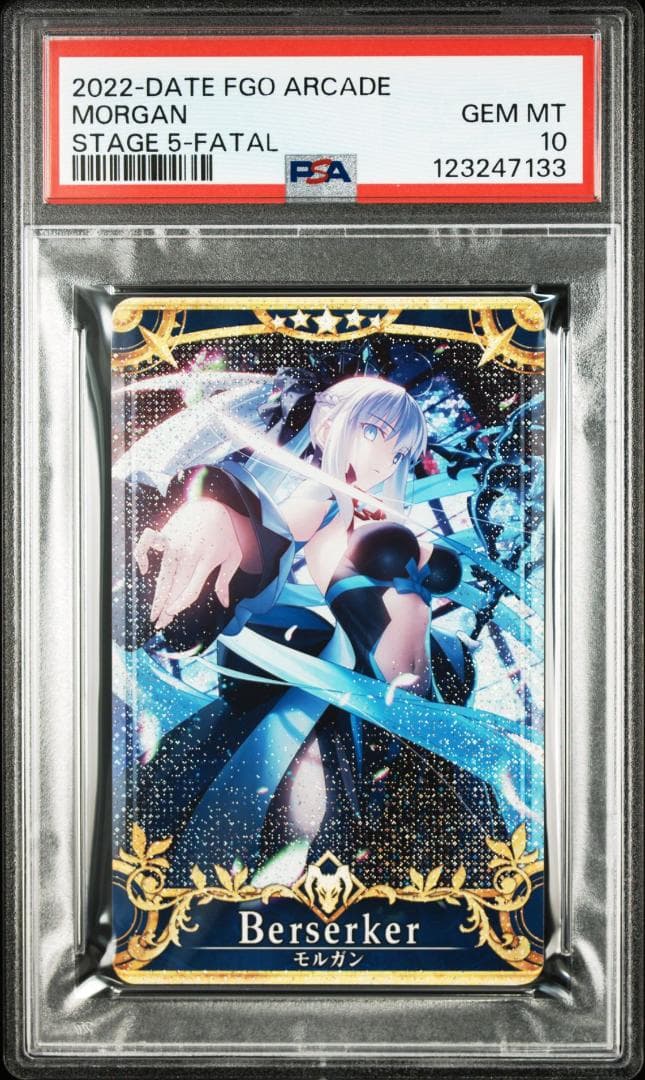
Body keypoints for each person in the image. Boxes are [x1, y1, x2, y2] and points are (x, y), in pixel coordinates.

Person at [125, 376, 512, 885]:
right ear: (328, 426)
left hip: (424, 702)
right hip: (369, 704)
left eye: (400, 452)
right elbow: (262, 533)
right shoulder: (319, 501)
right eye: (373, 432)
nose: (386, 459)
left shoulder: (371, 511)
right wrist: (212, 514)